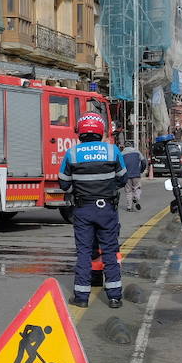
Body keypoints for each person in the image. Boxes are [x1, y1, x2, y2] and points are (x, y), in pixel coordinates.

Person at [59, 112, 127, 309]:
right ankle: (114, 297)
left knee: (84, 253)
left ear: (80, 131)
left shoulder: (72, 153)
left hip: (83, 209)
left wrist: (78, 186)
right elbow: (123, 178)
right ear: (100, 130)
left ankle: (81, 297)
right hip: (107, 209)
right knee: (110, 251)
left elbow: (63, 183)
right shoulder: (112, 151)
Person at [120, 138, 145, 211]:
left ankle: (129, 207)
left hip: (126, 175)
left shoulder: (121, 154)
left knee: (128, 191)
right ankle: (136, 198)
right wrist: (141, 170)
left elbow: (119, 165)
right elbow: (143, 162)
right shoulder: (137, 152)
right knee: (137, 188)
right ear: (132, 145)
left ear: (124, 146)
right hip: (136, 174)